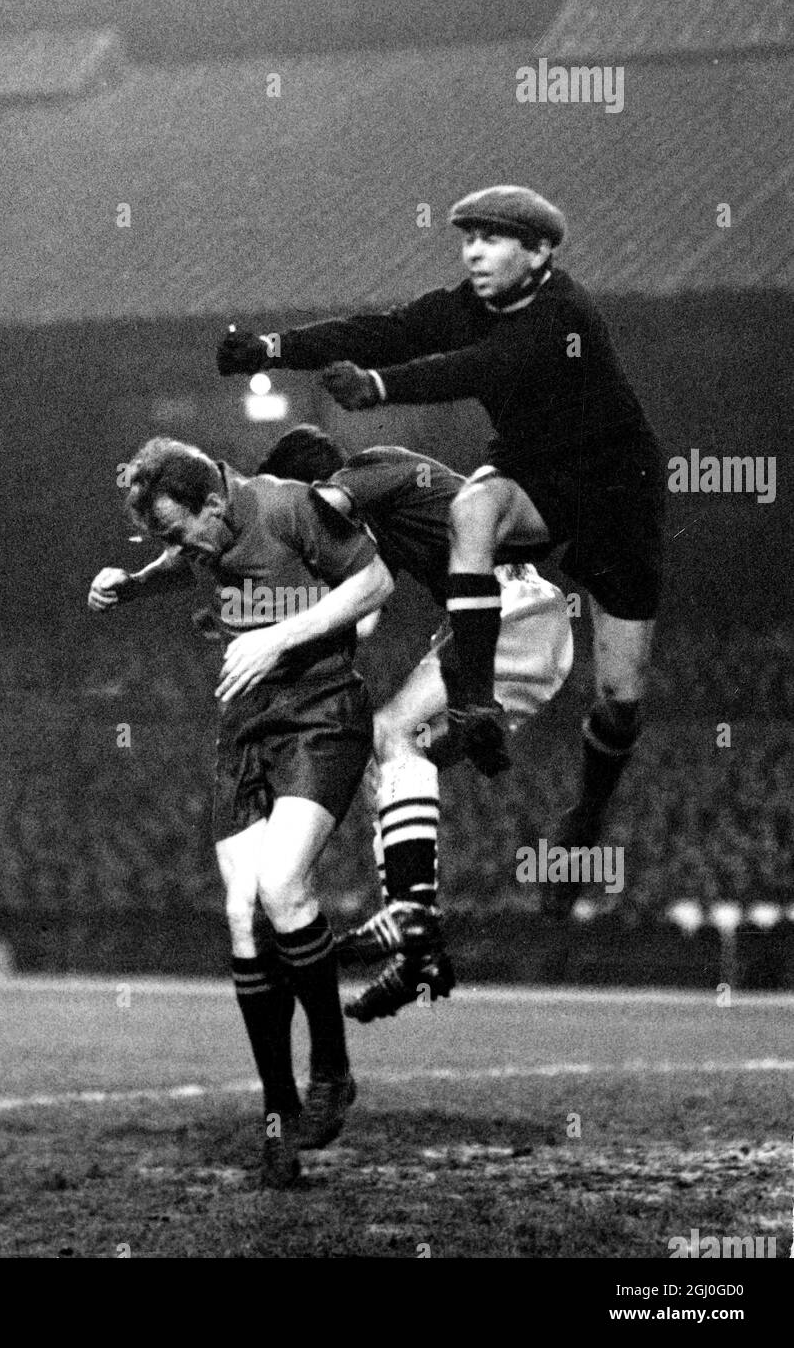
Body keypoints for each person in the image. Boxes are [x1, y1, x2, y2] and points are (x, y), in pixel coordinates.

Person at [218, 186, 665, 905]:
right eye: (468, 240)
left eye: (491, 240)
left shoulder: (562, 315)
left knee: (619, 699)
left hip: (617, 492)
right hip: (535, 474)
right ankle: (475, 703)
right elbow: (385, 328)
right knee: (473, 509)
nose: (474, 253)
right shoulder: (467, 302)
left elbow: (479, 369)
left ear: (541, 252)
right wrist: (274, 347)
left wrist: (377, 387)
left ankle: (585, 817)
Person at [88, 437, 394, 1186]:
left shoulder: (291, 507)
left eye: (176, 528)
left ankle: (331, 1069)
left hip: (321, 709)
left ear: (215, 502)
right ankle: (279, 1116)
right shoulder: (200, 537)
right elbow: (181, 563)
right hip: (244, 723)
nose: (176, 545)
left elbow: (376, 580)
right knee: (241, 913)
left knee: (283, 884)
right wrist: (130, 583)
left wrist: (278, 636)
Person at [257, 426, 573, 1018]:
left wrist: (263, 537)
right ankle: (421, 955)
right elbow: (363, 616)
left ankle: (411, 914)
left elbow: (319, 508)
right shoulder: (386, 531)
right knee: (401, 760)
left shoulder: (373, 467)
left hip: (507, 612)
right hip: (533, 634)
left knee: (387, 734)